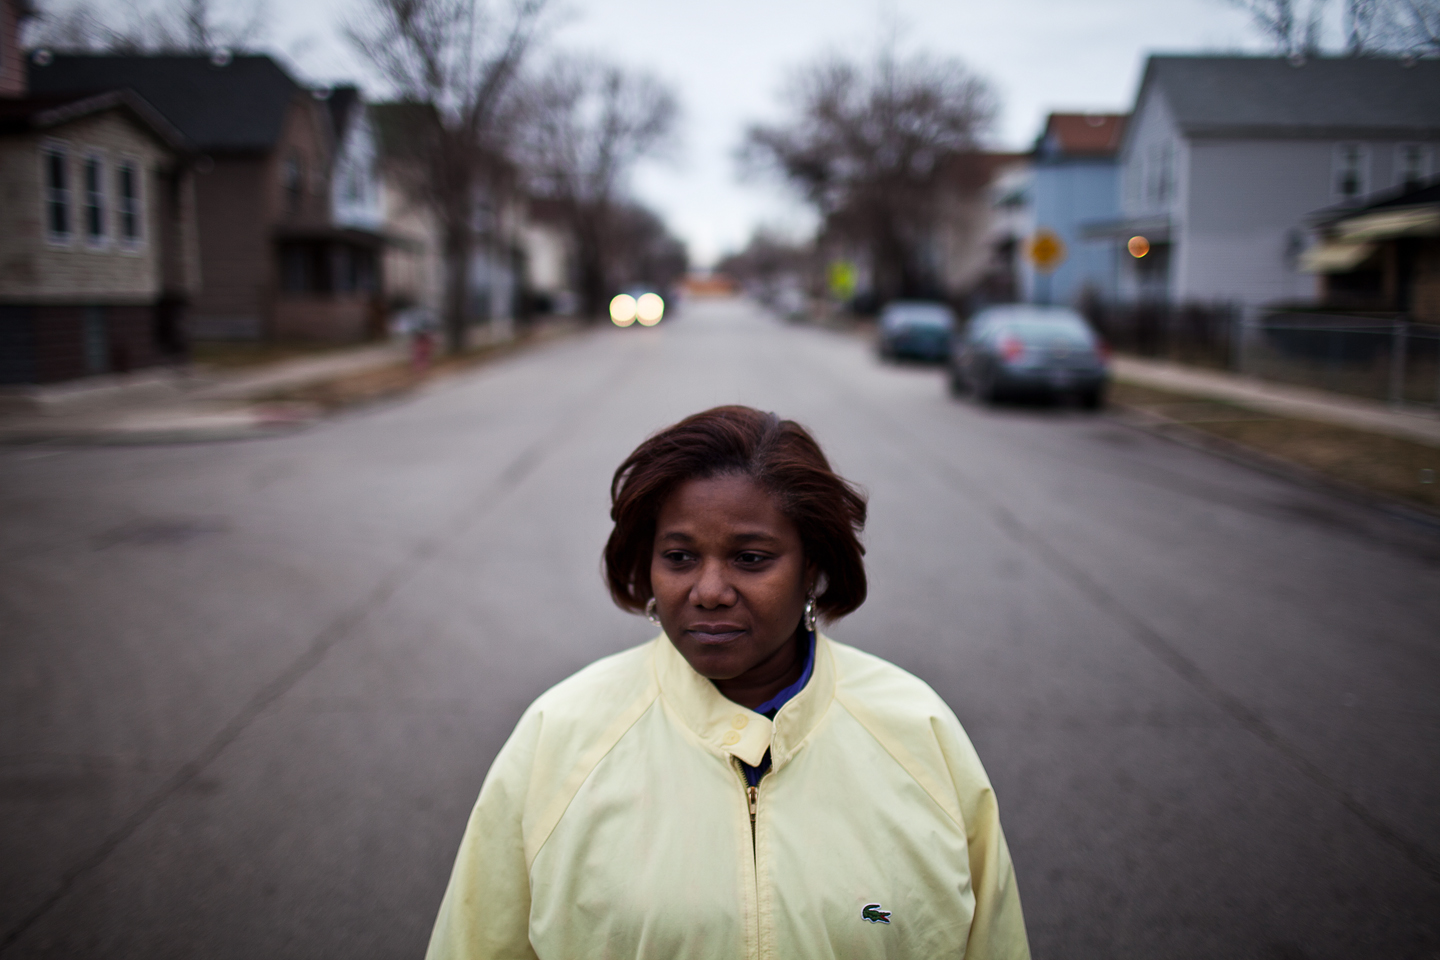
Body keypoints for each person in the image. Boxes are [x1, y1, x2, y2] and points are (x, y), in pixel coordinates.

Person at [426, 405, 1029, 959]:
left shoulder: (918, 733)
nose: (709, 591)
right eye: (680, 557)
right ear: (648, 565)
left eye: (751, 557)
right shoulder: (560, 736)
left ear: (812, 566)